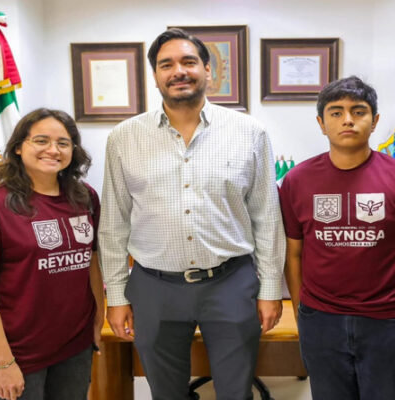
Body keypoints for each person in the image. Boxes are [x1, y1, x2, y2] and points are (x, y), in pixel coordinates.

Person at [99, 28, 284, 400]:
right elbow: (114, 224)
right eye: (166, 65)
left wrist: (270, 290)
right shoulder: (124, 137)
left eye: (188, 62)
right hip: (154, 286)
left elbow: (266, 217)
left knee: (236, 392)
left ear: (207, 71)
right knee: (166, 393)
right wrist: (116, 296)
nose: (178, 71)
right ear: (155, 76)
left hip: (230, 282)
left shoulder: (249, 132)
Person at [278, 76, 395, 400]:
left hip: (388, 320)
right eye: (336, 112)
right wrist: (301, 312)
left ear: (375, 120)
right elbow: (292, 253)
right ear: (321, 123)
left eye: (358, 111)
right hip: (321, 320)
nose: (348, 120)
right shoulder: (298, 180)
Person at [0, 109, 104, 400]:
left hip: (74, 344)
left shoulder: (85, 197)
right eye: (41, 140)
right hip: (17, 352)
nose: (53, 150)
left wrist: (98, 318)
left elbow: (92, 262)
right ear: (19, 147)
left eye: (63, 143)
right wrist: (4, 362)